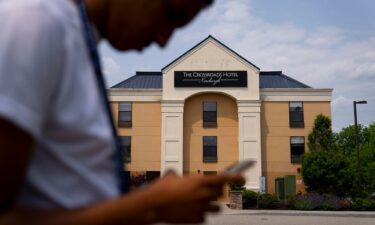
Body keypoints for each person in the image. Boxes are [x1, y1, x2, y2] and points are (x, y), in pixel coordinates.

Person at [0, 0, 245, 224]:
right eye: (170, 13)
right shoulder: (34, 23)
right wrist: (151, 205)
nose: (163, 40)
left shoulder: (78, 43)